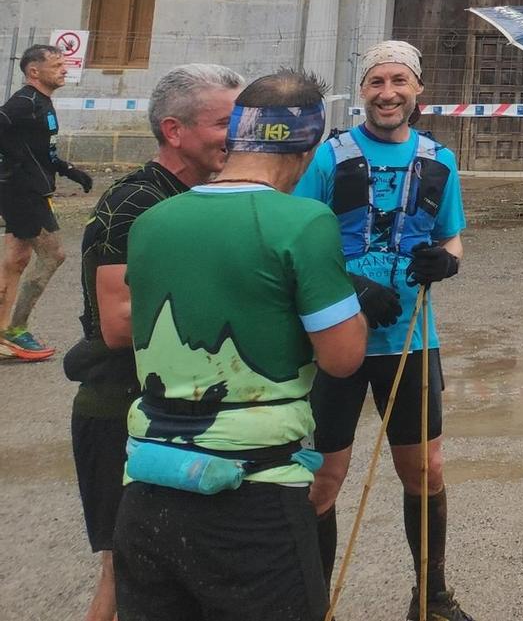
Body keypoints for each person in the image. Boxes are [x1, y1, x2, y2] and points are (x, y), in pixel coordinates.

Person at [114, 71, 369, 621]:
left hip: (148, 482)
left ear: (238, 136)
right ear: (307, 148)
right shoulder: (303, 221)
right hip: (252, 490)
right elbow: (342, 358)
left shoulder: (153, 219)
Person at [295, 41, 474, 621]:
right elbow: (297, 242)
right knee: (323, 479)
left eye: (399, 81)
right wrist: (347, 283)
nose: (387, 93)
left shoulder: (440, 160)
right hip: (334, 338)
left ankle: (433, 599)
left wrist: (447, 262)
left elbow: (452, 237)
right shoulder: (330, 158)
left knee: (425, 469)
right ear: (363, 91)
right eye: (376, 82)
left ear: (418, 90)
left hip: (412, 339)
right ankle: (311, 602)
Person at [67, 64, 242, 621]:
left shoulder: (199, 197)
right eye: (223, 122)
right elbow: (119, 324)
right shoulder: (135, 203)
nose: (236, 136)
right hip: (119, 409)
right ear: (174, 130)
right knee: (124, 580)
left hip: (174, 407)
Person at [1, 42, 92, 361]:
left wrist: (69, 169)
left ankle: (3, 332)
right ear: (34, 71)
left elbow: (43, 150)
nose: (64, 69)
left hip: (33, 189)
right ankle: (15, 330)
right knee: (53, 254)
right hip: (22, 192)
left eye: (63, 63)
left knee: (17, 260)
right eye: (57, 65)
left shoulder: (42, 103)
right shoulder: (23, 103)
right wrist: (8, 168)